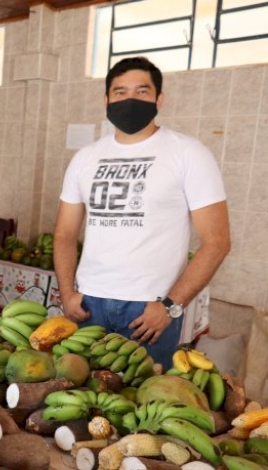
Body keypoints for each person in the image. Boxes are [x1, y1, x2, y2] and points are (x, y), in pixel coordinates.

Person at [53, 57, 231, 369]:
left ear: (159, 99)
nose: (130, 99)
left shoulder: (188, 153)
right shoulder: (85, 158)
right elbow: (64, 234)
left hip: (150, 310)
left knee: (141, 405)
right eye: (120, 92)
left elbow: (217, 242)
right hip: (88, 305)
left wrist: (171, 306)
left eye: (142, 91)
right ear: (107, 100)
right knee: (82, 399)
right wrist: (67, 293)